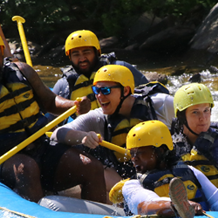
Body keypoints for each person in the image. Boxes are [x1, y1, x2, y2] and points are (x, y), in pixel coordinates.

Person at [0, 28, 107, 204]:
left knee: (91, 167)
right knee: (27, 169)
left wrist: (73, 105)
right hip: (0, 157)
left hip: (40, 145)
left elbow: (50, 101)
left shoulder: (22, 71)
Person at [51, 64, 174, 192]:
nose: (99, 96)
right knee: (103, 172)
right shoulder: (98, 117)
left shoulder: (161, 104)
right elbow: (57, 133)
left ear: (125, 91)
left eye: (105, 91)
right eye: (96, 90)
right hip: (125, 182)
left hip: (164, 172)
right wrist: (82, 137)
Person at [52, 30, 149, 111]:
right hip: (85, 131)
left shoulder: (120, 69)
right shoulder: (64, 85)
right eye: (76, 54)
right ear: (70, 57)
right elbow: (51, 117)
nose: (82, 59)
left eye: (87, 52)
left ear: (97, 52)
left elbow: (151, 92)